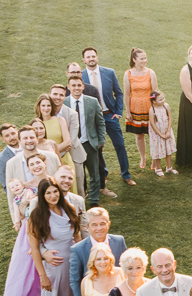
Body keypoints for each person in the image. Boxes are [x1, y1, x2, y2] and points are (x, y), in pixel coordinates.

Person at [28, 177, 83, 296]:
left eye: (55, 191)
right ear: (42, 196)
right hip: (56, 267)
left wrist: (83, 260)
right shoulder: (37, 216)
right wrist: (42, 276)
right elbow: (34, 248)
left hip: (73, 263)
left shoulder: (69, 208)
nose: (53, 196)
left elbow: (77, 237)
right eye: (48, 193)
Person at [0, 154, 48, 296]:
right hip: (30, 227)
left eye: (38, 162)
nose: (36, 166)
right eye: (32, 164)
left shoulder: (53, 181)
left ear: (45, 163)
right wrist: (25, 203)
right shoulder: (26, 187)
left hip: (50, 224)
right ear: (28, 168)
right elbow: (20, 213)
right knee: (25, 263)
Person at [81, 47, 135, 187]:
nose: (91, 59)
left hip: (109, 116)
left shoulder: (109, 72)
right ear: (84, 60)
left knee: (120, 145)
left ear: (97, 57)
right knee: (97, 148)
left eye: (93, 56)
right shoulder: (81, 77)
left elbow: (119, 93)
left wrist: (118, 112)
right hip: (92, 118)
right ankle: (103, 173)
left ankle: (126, 175)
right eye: (88, 57)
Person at [64, 76, 107, 205]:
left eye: (79, 85)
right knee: (76, 174)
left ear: (83, 87)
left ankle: (94, 200)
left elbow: (100, 122)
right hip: (73, 145)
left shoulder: (92, 102)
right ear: (68, 87)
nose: (76, 88)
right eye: (73, 85)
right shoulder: (64, 103)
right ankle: (78, 199)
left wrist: (101, 141)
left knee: (94, 173)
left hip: (89, 143)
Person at [123, 48, 158, 171]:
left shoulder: (150, 73)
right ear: (134, 59)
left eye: (145, 58)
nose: (145, 60)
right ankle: (143, 157)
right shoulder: (128, 74)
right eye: (141, 58)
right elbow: (127, 94)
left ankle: (154, 159)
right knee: (139, 135)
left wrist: (154, 108)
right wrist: (128, 111)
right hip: (135, 109)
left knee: (152, 135)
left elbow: (154, 93)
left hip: (149, 109)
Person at [34, 94, 76, 185]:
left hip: (64, 158)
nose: (46, 108)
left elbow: (67, 142)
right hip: (47, 162)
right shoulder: (35, 123)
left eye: (48, 105)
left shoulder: (60, 120)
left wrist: (51, 152)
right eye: (43, 105)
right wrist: (50, 154)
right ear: (39, 107)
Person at [147, 91, 177, 176]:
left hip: (166, 131)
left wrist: (168, 131)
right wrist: (161, 135)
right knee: (158, 150)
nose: (163, 100)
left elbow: (170, 118)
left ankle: (169, 167)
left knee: (168, 149)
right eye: (160, 99)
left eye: (163, 98)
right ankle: (158, 169)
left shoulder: (166, 106)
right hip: (157, 134)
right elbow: (152, 124)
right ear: (154, 101)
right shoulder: (152, 110)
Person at [0, 123, 20, 190]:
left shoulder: (29, 147)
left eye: (13, 133)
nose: (12, 137)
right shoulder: (1, 160)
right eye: (7, 136)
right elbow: (7, 186)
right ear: (3, 139)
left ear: (18, 133)